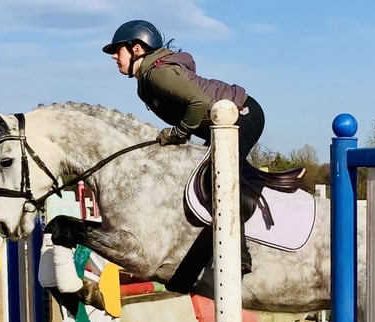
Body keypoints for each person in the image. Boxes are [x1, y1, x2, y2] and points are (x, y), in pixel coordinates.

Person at [103, 19, 263, 275]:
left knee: (217, 176)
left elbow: (198, 102)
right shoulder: (147, 78)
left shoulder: (157, 74)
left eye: (117, 49)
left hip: (242, 116)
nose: (113, 56)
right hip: (220, 124)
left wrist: (179, 133)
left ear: (136, 49)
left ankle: (238, 253)